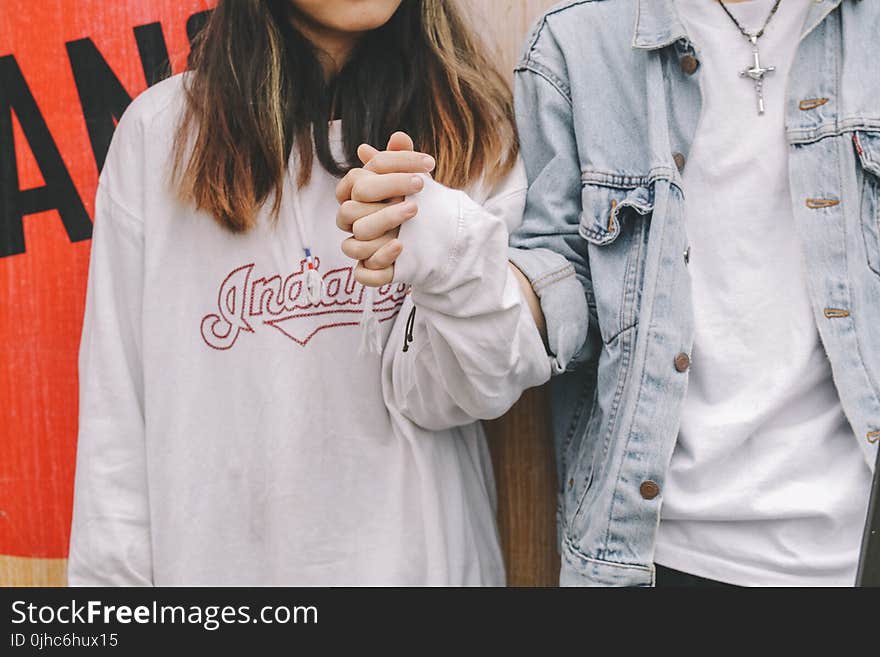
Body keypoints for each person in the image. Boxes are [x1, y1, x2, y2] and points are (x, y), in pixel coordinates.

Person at [344, 0, 879, 586]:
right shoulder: (578, 44)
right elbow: (562, 284)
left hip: (855, 550)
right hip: (653, 557)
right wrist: (454, 254)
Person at [67, 0, 548, 586]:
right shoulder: (162, 137)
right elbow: (117, 438)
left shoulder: (472, 130)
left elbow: (476, 388)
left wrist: (444, 247)